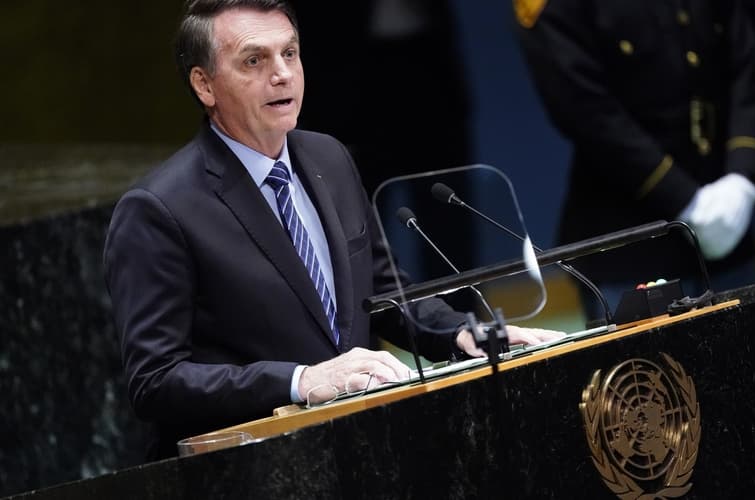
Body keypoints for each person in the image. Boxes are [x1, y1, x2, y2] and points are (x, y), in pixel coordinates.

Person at [104, 0, 557, 459]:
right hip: (251, 465)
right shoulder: (159, 209)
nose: (281, 74)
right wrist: (302, 381)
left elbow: (383, 291)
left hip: (362, 448)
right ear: (204, 84)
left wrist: (462, 333)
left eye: (290, 53)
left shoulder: (329, 159)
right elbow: (156, 381)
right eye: (254, 60)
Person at [515, 0, 755, 317]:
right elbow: (582, 108)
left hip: (728, 220)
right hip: (630, 241)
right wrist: (686, 200)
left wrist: (743, 178)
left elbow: (745, 64)